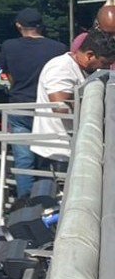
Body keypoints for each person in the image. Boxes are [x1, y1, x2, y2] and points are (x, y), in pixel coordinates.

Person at [29, 27, 115, 193]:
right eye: (103, 63)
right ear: (89, 55)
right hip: (56, 151)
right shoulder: (61, 68)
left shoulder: (73, 67)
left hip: (64, 148)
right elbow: (61, 107)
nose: (103, 68)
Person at [0, 8, 64, 200]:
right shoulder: (58, 48)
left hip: (19, 105)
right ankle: (48, 199)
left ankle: (26, 203)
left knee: (23, 160)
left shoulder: (9, 46)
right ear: (40, 25)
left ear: (19, 26)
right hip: (48, 108)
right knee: (48, 156)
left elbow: (3, 75)